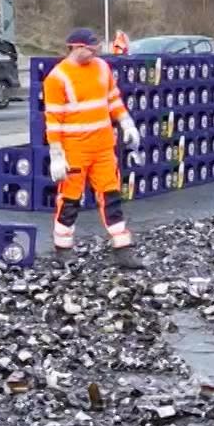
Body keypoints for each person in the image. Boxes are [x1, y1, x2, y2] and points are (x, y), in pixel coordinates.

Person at [44, 27, 145, 269]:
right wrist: (57, 156)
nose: (95, 54)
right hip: (75, 151)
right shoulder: (58, 78)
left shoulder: (102, 68)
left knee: (111, 197)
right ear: (76, 48)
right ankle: (63, 250)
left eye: (96, 49)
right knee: (69, 201)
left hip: (103, 148)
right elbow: (53, 120)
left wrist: (126, 123)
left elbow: (113, 100)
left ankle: (123, 250)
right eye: (91, 49)